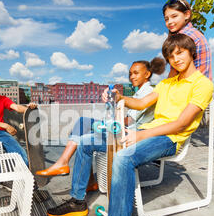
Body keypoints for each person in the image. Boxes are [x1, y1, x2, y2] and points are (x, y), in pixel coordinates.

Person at [47, 34, 214, 216]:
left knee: (123, 158)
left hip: (169, 139)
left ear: (191, 52)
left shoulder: (203, 84)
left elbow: (181, 123)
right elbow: (139, 103)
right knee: (84, 142)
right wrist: (118, 97)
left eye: (180, 52)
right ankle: (78, 201)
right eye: (171, 55)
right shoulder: (166, 85)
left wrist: (141, 135)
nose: (175, 58)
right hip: (147, 134)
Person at [35, 58, 166, 186]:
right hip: (124, 129)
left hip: (130, 135)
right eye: (130, 73)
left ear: (147, 74)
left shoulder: (147, 92)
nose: (132, 76)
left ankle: (64, 163)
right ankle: (87, 179)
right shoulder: (140, 92)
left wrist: (107, 121)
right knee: (82, 129)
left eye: (136, 73)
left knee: (83, 124)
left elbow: (129, 121)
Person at [163, 0, 211, 80]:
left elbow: (174, 73)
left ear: (187, 15)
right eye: (166, 19)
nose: (170, 21)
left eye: (174, 16)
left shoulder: (184, 37)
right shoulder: (195, 33)